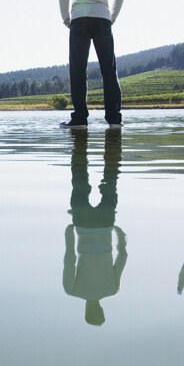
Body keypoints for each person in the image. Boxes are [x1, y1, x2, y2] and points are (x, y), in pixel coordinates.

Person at [58, 0, 125, 128]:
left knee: (78, 69)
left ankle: (80, 118)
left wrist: (66, 18)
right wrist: (111, 17)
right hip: (103, 17)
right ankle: (114, 118)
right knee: (109, 70)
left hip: (79, 18)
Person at [63, 129, 128, 325]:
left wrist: (118, 231)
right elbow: (69, 258)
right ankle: (80, 146)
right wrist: (69, 230)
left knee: (111, 179)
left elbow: (122, 256)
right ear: (86, 311)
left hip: (106, 225)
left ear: (101, 310)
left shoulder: (113, 289)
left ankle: (112, 146)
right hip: (82, 225)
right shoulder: (72, 291)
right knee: (79, 179)